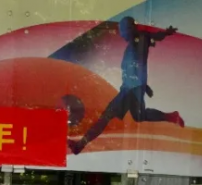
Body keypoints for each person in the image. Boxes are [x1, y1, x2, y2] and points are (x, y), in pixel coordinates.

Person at [68, 16, 184, 155]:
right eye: (121, 30)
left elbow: (155, 37)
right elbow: (137, 67)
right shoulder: (131, 45)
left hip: (131, 90)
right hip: (131, 88)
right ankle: (171, 117)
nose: (122, 34)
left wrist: (166, 32)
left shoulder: (142, 37)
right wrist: (145, 86)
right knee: (139, 116)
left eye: (123, 30)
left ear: (130, 28)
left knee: (106, 116)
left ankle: (79, 145)